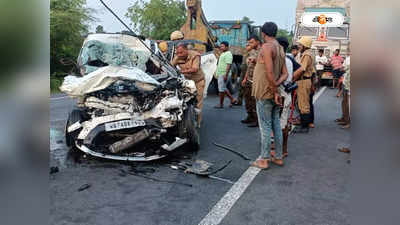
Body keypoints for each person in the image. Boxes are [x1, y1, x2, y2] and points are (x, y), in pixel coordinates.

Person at [250, 22, 288, 169]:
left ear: (263, 33)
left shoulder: (266, 47)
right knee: (276, 125)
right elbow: (285, 74)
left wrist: (274, 90)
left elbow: (269, 72)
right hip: (273, 91)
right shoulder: (280, 48)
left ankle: (264, 159)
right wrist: (277, 86)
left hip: (265, 92)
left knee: (265, 126)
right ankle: (278, 157)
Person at [276, 36, 302, 157]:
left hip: (281, 93)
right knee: (283, 123)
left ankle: (280, 151)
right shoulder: (288, 59)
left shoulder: (282, 60)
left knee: (281, 124)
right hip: (286, 92)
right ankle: (283, 149)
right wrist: (292, 80)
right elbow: (300, 69)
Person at [171, 43, 205, 127]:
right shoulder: (178, 56)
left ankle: (198, 122)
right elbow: (170, 66)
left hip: (198, 81)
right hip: (187, 82)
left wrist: (181, 72)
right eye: (177, 53)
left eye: (181, 52)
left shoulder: (195, 55)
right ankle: (186, 120)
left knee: (198, 102)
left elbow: (195, 69)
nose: (179, 55)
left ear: (187, 50)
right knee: (185, 101)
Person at [292, 36, 315, 133]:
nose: (299, 46)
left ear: (305, 45)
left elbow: (302, 69)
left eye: (300, 44)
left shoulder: (306, 55)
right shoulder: (307, 54)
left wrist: (292, 78)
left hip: (303, 81)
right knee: (303, 103)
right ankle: (304, 123)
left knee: (303, 104)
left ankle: (304, 127)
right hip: (305, 81)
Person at [241, 35, 261, 127]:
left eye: (252, 42)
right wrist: (245, 78)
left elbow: (263, 65)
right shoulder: (252, 51)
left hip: (257, 80)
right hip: (249, 79)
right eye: (249, 42)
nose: (250, 44)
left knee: (254, 101)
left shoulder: (262, 51)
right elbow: (249, 67)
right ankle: (250, 116)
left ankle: (257, 120)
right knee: (247, 99)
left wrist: (255, 61)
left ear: (257, 42)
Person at [214, 41, 238, 108]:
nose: (221, 47)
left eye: (222, 46)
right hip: (221, 74)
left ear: (227, 47)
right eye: (220, 46)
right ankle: (232, 99)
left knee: (221, 90)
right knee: (223, 88)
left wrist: (226, 75)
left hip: (224, 74)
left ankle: (221, 104)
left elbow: (228, 65)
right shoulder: (223, 53)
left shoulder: (228, 54)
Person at [336, 47, 351, 129]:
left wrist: (341, 68)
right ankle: (345, 118)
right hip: (346, 81)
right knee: (344, 102)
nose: (348, 51)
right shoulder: (348, 58)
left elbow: (344, 68)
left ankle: (349, 121)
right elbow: (344, 68)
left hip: (349, 82)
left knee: (349, 103)